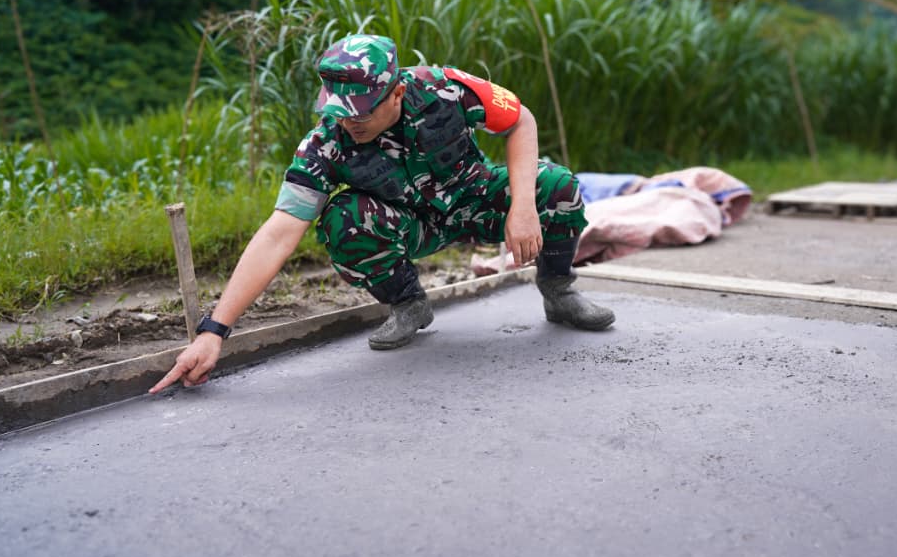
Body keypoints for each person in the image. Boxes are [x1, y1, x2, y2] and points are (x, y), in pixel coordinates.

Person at [151, 34, 614, 393]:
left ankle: (558, 291)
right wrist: (214, 331)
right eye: (339, 111)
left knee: (557, 185)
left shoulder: (443, 87)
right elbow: (278, 234)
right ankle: (409, 304)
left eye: (360, 113)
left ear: (396, 93)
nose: (348, 122)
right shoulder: (325, 144)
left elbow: (520, 119)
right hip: (412, 225)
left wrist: (523, 207)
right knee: (343, 217)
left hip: (475, 199)